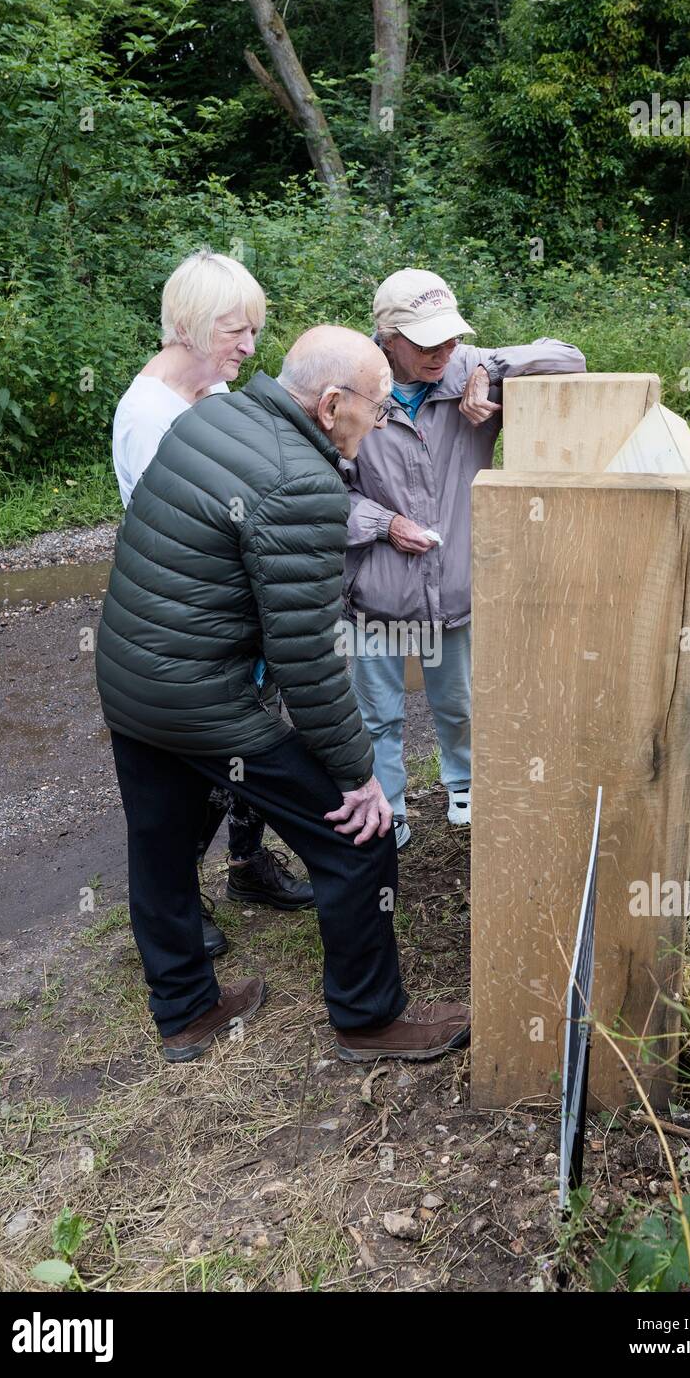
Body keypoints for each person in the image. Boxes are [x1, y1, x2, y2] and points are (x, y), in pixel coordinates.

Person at [96, 325, 471, 1065]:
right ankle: (370, 1019)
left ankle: (186, 1011)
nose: (385, 419)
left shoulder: (214, 415)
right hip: (200, 693)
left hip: (129, 676)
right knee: (357, 839)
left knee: (161, 846)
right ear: (332, 405)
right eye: (378, 407)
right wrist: (359, 776)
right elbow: (306, 656)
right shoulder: (304, 483)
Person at [111, 248, 313, 958]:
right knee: (203, 768)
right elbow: (187, 535)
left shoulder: (216, 395)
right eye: (237, 330)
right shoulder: (148, 415)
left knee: (263, 731)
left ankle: (248, 864)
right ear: (193, 325)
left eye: (255, 329)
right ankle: (181, 898)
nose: (252, 347)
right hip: (192, 628)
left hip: (244, 611)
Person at [343, 268, 587, 848]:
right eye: (427, 343)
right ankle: (391, 808)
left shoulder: (466, 367)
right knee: (377, 715)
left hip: (453, 586)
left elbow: (569, 357)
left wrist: (488, 369)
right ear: (388, 337)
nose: (442, 352)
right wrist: (384, 523)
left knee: (460, 703)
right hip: (375, 590)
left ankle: (464, 784)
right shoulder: (351, 389)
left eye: (450, 338)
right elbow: (323, 490)